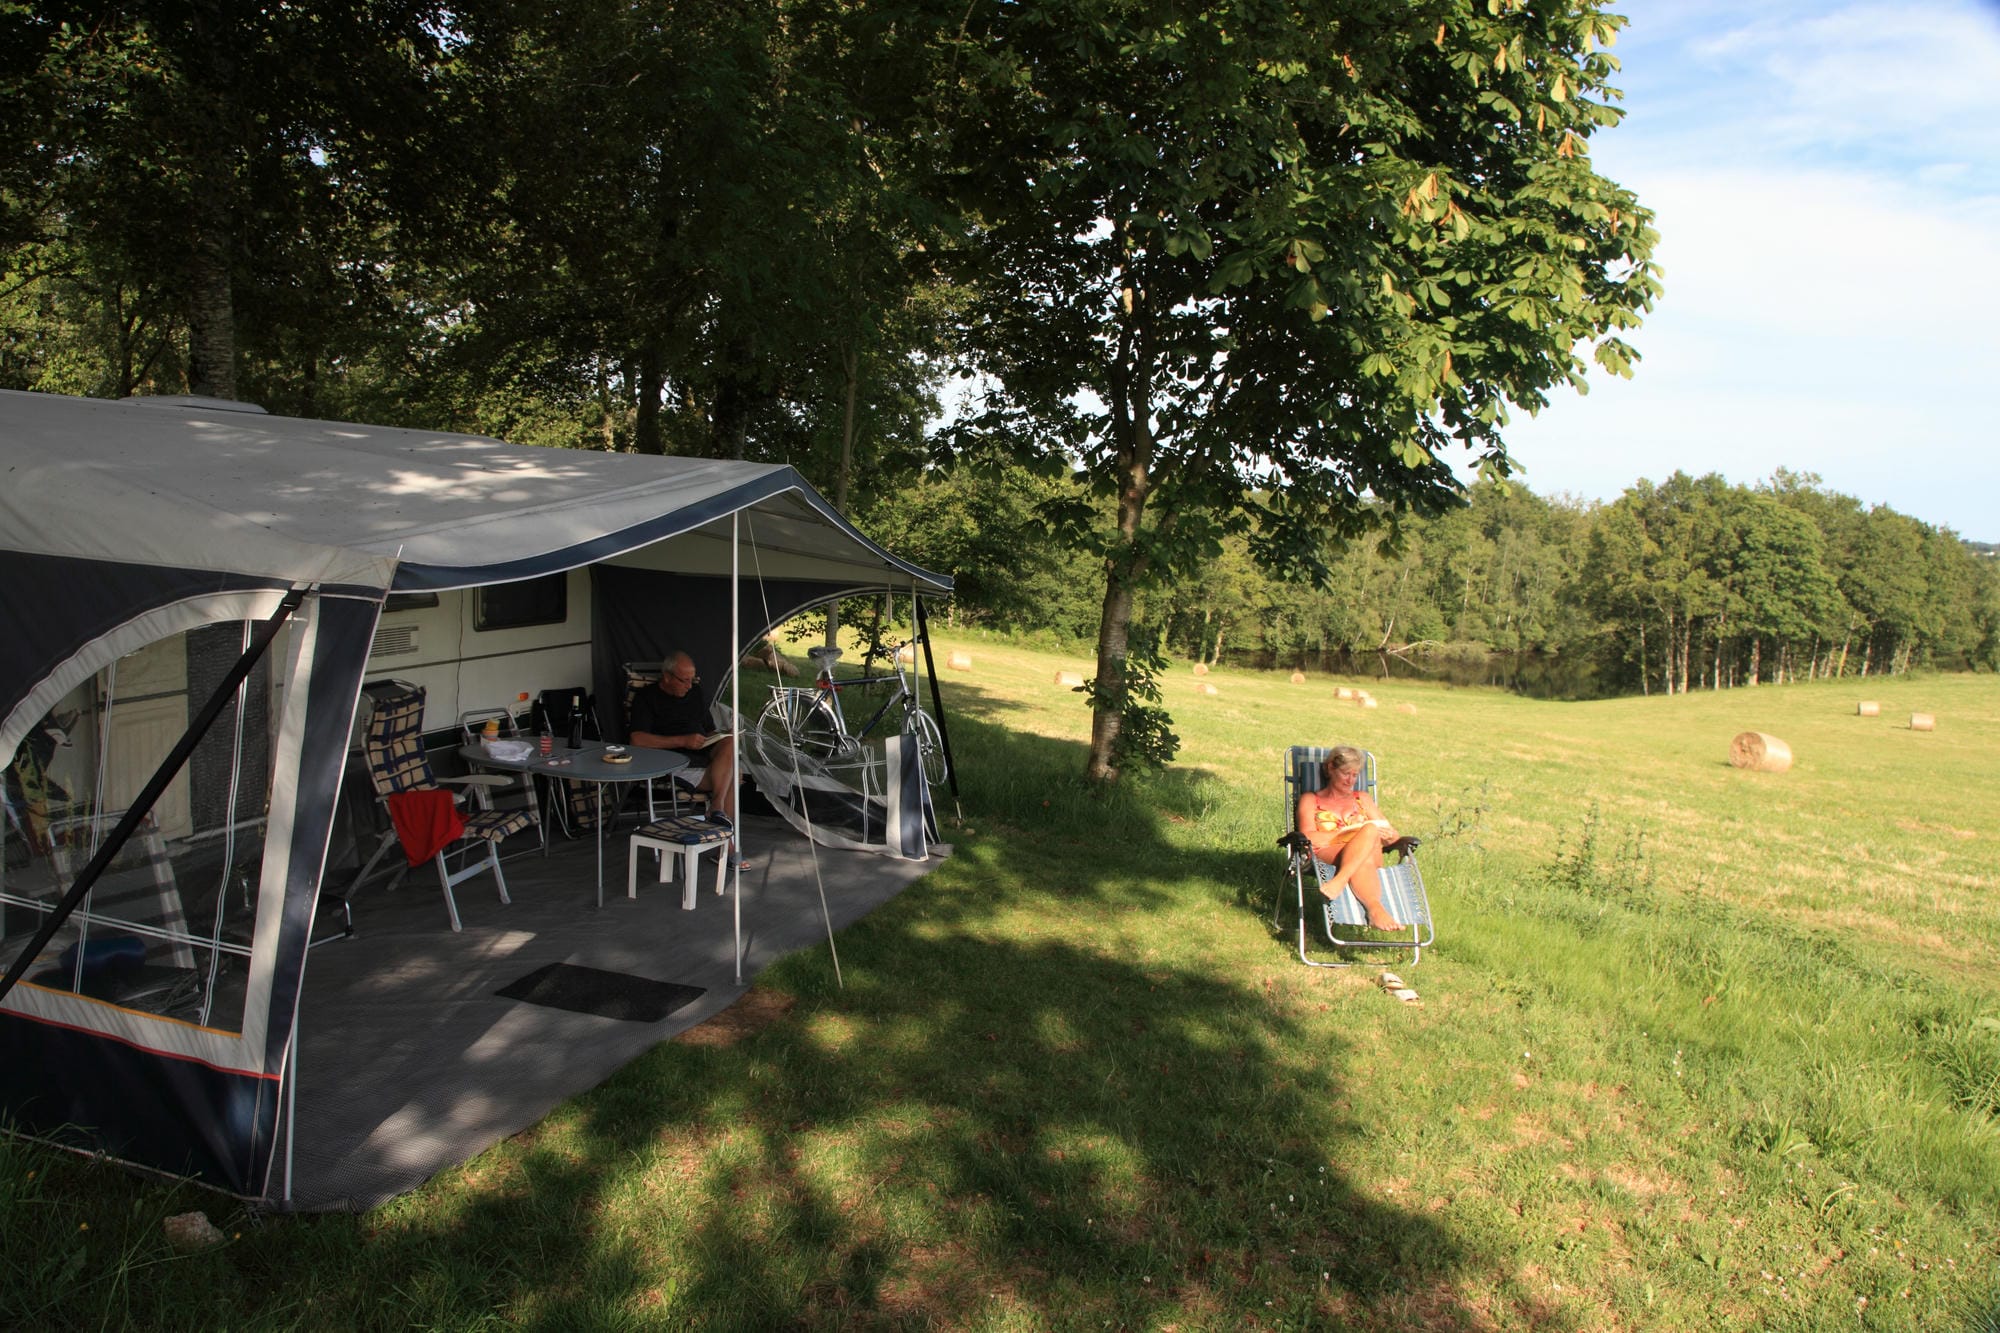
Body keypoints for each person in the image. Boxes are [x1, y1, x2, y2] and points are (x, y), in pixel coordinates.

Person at [1296, 745, 1403, 931]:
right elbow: (1308, 838)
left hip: (1369, 850)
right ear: (1330, 768)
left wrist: (1388, 836)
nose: (1350, 780)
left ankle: (1339, 881)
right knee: (1366, 841)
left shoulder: (1363, 799)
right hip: (1330, 853)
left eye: (1355, 775)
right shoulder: (1311, 799)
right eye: (1346, 773)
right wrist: (1347, 836)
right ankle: (1375, 910)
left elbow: (1393, 837)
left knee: (1370, 830)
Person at [628, 651, 737, 828]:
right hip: (674, 765)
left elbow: (709, 730)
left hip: (704, 756)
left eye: (691, 680)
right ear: (667, 677)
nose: (689, 686)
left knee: (731, 741)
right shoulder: (647, 698)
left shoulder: (695, 693)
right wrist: (682, 741)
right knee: (734, 775)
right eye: (683, 680)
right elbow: (637, 740)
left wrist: (722, 734)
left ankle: (717, 811)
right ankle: (727, 844)